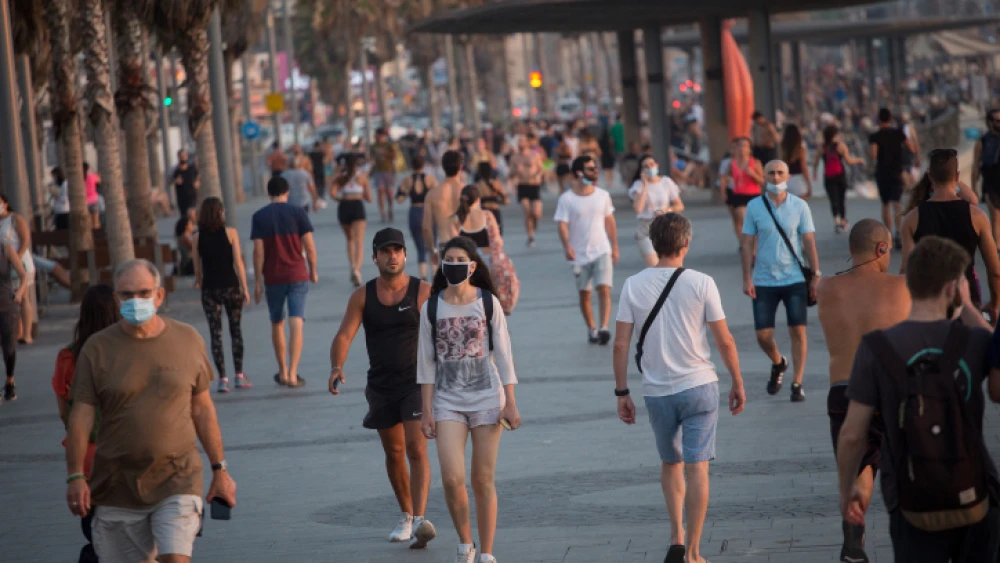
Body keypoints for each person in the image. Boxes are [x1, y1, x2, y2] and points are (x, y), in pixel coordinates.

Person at [837, 236, 1000, 563]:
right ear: (952, 288)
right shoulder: (975, 340)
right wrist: (967, 307)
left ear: (909, 284)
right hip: (976, 495)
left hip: (911, 502)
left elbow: (853, 434)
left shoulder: (876, 347)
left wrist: (847, 491)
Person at [64, 259, 237, 563]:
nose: (136, 301)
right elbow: (80, 416)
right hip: (117, 485)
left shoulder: (187, 340)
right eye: (127, 295)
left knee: (175, 557)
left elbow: (203, 410)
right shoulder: (97, 349)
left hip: (178, 477)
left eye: (144, 293)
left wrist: (219, 470)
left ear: (159, 295)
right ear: (117, 299)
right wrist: (76, 475)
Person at [613, 213, 745, 563]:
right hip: (700, 386)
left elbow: (621, 345)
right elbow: (725, 340)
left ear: (654, 245)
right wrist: (737, 380)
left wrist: (622, 392)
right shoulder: (702, 282)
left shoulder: (632, 285)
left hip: (657, 391)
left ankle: (676, 536)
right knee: (698, 466)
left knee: (671, 462)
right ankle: (695, 552)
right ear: (686, 243)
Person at [327, 228, 437, 549]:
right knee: (394, 452)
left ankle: (420, 519)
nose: (392, 256)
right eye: (386, 251)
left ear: (405, 255)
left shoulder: (423, 291)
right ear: (374, 257)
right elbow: (344, 335)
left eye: (397, 250)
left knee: (417, 448)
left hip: (416, 383)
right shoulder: (362, 296)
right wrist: (337, 366)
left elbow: (442, 332)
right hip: (380, 385)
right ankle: (406, 515)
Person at [418, 236, 521, 563]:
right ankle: (465, 542)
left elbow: (504, 354)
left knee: (482, 478)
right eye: (448, 258)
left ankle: (487, 552)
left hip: (488, 400)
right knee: (451, 478)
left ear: (473, 266)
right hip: (447, 401)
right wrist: (426, 411)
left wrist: (511, 402)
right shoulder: (432, 307)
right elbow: (426, 362)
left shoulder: (487, 302)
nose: (454, 263)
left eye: (460, 258)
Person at [817, 219, 911, 563]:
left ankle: (854, 544)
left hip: (844, 390)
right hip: (892, 388)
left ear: (850, 249)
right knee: (905, 470)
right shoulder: (903, 287)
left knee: (859, 469)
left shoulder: (826, 288)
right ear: (882, 249)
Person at [740, 160, 820, 402]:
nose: (775, 177)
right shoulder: (754, 207)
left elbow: (809, 242)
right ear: (764, 176)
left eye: (780, 173)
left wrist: (815, 276)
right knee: (763, 335)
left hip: (794, 278)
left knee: (798, 329)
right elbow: (746, 243)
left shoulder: (799, 206)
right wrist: (746, 277)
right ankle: (778, 362)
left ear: (787, 175)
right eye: (771, 173)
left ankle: (797, 382)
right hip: (764, 280)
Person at [51, 284, 120, 562]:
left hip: (86, 462)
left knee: (96, 532)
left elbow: (64, 414)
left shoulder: (68, 357)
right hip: (122, 457)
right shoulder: (124, 353)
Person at [900, 148, 1000, 322]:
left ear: (929, 176)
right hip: (967, 299)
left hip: (928, 302)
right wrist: (994, 303)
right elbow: (995, 270)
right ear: (957, 176)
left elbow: (906, 271)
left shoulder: (912, 218)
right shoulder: (976, 216)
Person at [252, 176, 318, 388]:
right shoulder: (298, 213)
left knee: (277, 322)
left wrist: (258, 282)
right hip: (298, 274)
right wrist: (313, 271)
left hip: (273, 276)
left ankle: (281, 370)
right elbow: (309, 246)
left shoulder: (259, 216)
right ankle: (292, 372)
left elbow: (258, 251)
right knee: (296, 321)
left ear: (269, 193)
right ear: (287, 192)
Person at [555, 156, 620, 345]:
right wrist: (567, 246)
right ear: (579, 173)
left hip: (602, 250)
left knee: (604, 288)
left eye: (596, 168)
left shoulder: (603, 195)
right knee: (584, 293)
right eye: (591, 169)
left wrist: (615, 246)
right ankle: (591, 329)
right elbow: (562, 225)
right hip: (578, 255)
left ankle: (604, 327)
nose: (595, 171)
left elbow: (610, 222)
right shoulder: (566, 199)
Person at [193, 197, 251, 393]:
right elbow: (238, 263)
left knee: (215, 333)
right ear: (220, 212)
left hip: (210, 290)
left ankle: (222, 379)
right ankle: (239, 376)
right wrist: (245, 288)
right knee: (236, 331)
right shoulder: (231, 233)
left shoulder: (197, 237)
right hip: (231, 287)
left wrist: (199, 280)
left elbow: (197, 267)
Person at [629, 154, 684, 267]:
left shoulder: (666, 182)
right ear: (642, 170)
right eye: (646, 166)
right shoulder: (638, 185)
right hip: (646, 229)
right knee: (656, 268)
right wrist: (645, 185)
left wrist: (669, 209)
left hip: (666, 226)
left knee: (671, 267)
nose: (649, 168)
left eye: (651, 164)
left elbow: (679, 205)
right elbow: (638, 208)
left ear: (657, 165)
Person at [869, 108, 914, 245]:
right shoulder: (898, 133)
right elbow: (911, 147)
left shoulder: (875, 136)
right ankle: (899, 233)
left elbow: (873, 155)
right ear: (890, 119)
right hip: (897, 171)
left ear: (879, 120)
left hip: (882, 173)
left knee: (885, 203)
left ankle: (888, 234)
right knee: (897, 204)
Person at [331, 154, 373, 287]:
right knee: (359, 241)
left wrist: (340, 200)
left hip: (344, 207)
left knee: (350, 239)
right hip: (357, 206)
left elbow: (332, 193)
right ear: (356, 164)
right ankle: (357, 269)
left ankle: (352, 265)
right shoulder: (362, 177)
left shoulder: (340, 177)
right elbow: (369, 198)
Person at [813, 125, 864, 233]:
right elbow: (849, 161)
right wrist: (859, 160)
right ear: (835, 134)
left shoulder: (822, 147)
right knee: (841, 199)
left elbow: (816, 162)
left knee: (833, 200)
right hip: (840, 175)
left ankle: (836, 222)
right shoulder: (841, 146)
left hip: (828, 177)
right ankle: (843, 221)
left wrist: (814, 173)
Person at [0, 195, 35, 345]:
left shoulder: (15, 219)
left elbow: (25, 240)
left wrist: (16, 259)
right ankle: (17, 333)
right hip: (4, 265)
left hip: (20, 262)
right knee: (11, 298)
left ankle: (27, 334)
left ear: (5, 203)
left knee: (24, 297)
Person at [397, 156, 438, 281]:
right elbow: (438, 195)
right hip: (428, 212)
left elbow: (399, 199)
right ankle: (435, 275)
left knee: (420, 248)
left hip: (414, 212)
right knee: (432, 246)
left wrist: (406, 193)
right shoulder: (430, 179)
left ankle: (423, 277)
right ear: (423, 165)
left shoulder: (407, 180)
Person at [424, 150, 464, 267]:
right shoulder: (468, 191)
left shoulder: (432, 194)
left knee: (447, 283)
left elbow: (426, 228)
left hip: (445, 244)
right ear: (460, 167)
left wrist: (432, 250)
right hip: (466, 244)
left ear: (443, 167)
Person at [720, 138, 764, 245]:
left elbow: (762, 181)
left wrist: (753, 174)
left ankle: (754, 246)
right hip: (739, 195)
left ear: (749, 149)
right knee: (744, 219)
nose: (742, 148)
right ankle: (746, 244)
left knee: (755, 223)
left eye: (745, 146)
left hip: (754, 195)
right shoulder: (732, 164)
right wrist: (724, 190)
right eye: (740, 145)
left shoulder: (756, 163)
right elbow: (724, 177)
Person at [0, 235, 27, 404]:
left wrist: (19, 293)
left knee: (9, 347)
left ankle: (10, 380)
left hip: (7, 305)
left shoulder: (6, 249)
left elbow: (23, 275)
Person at [509, 134, 545, 247]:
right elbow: (510, 173)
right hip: (522, 186)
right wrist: (516, 171)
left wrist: (537, 175)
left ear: (527, 143)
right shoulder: (514, 157)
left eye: (523, 141)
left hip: (534, 185)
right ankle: (530, 236)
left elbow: (541, 168)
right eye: (519, 141)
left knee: (536, 213)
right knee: (527, 211)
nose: (521, 143)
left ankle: (535, 223)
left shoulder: (534, 155)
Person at [971, 108, 1000, 246]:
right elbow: (975, 165)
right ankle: (997, 248)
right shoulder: (982, 141)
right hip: (990, 182)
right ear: (990, 122)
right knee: (995, 215)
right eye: (997, 120)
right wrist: (973, 187)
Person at [452, 186, 502, 264]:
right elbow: (498, 241)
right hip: (486, 259)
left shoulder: (457, 219)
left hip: (467, 261)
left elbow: (455, 243)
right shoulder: (487, 215)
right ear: (478, 199)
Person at [372, 128, 399, 223]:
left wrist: (384, 153)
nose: (376, 137)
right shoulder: (373, 145)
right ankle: (382, 213)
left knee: (388, 192)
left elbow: (395, 155)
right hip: (378, 171)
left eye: (377, 135)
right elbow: (371, 157)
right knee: (380, 191)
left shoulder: (388, 145)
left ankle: (390, 209)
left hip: (388, 170)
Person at [475, 162, 508, 236]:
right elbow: (506, 201)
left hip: (483, 213)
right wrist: (496, 201)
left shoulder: (477, 186)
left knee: (485, 240)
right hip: (495, 212)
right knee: (496, 238)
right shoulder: (496, 184)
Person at [780, 124, 813, 199]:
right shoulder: (800, 150)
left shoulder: (784, 149)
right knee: (801, 208)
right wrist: (809, 184)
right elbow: (803, 167)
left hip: (788, 180)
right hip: (799, 181)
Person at [172, 150, 200, 216]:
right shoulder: (176, 170)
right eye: (181, 156)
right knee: (184, 218)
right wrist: (175, 180)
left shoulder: (192, 168)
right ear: (178, 157)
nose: (183, 157)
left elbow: (198, 175)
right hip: (182, 198)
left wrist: (197, 181)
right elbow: (169, 180)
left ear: (187, 156)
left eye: (184, 156)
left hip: (192, 197)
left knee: (192, 214)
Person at [173, 208, 197, 277]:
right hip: (188, 265)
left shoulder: (182, 237)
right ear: (186, 226)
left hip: (186, 263)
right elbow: (196, 248)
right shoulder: (185, 237)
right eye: (190, 223)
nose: (192, 225)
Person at [83, 162, 102, 229]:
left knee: (89, 223)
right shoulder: (92, 177)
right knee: (96, 222)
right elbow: (100, 181)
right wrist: (93, 171)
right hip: (94, 200)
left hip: (84, 202)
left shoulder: (79, 179)